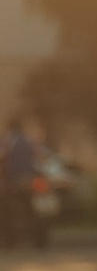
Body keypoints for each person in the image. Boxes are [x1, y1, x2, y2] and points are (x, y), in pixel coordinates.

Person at [2, 109, 51, 255]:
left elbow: (2, 157)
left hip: (13, 181)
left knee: (5, 209)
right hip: (30, 181)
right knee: (32, 209)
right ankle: (38, 238)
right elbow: (43, 156)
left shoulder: (7, 140)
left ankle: (10, 239)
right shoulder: (29, 140)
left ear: (10, 127)